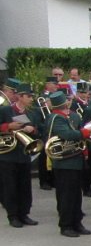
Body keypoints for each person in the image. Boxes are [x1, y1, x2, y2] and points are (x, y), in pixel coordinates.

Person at [45, 92, 91, 237]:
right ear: (63, 104)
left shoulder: (65, 116)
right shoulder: (56, 118)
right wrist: (85, 132)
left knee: (76, 195)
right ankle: (66, 225)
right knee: (67, 195)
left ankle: (77, 222)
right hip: (65, 162)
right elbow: (67, 135)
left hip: (74, 160)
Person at [0, 83, 39, 228]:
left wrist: (32, 129)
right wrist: (8, 127)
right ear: (19, 96)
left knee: (24, 186)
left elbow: (38, 130)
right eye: (28, 96)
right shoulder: (5, 110)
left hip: (24, 153)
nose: (31, 99)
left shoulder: (32, 112)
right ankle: (13, 215)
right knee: (10, 186)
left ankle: (24, 213)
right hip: (7, 154)